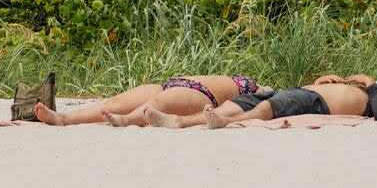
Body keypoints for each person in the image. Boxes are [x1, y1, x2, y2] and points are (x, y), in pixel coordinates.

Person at [143, 73, 377, 130]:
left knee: (267, 109)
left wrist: (369, 82)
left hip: (315, 102)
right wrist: (323, 80)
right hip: (302, 91)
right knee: (239, 102)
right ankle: (180, 121)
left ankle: (224, 123)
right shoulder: (351, 87)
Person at [34, 73, 262, 127]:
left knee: (156, 104)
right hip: (173, 82)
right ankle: (64, 117)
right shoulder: (249, 84)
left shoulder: (256, 91)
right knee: (113, 102)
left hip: (202, 94)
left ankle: (127, 120)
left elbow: (272, 100)